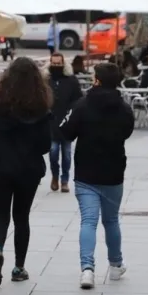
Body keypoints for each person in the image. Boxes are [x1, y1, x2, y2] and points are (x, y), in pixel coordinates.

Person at [0, 57, 52, 287]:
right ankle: (19, 267)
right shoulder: (40, 106)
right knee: (21, 217)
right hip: (28, 169)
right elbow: (45, 145)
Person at [60, 62, 135, 289]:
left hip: (86, 172)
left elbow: (66, 131)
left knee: (88, 221)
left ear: (97, 80)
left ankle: (87, 270)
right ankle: (116, 265)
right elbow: (127, 132)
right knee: (111, 220)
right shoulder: (124, 108)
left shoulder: (82, 105)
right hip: (113, 172)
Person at [45, 54, 82, 193]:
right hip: (51, 122)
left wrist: (72, 114)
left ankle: (64, 180)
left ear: (63, 63)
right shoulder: (46, 80)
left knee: (66, 154)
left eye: (58, 63)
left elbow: (78, 99)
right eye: (54, 63)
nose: (56, 66)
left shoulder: (71, 80)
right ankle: (55, 176)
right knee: (53, 153)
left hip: (67, 122)